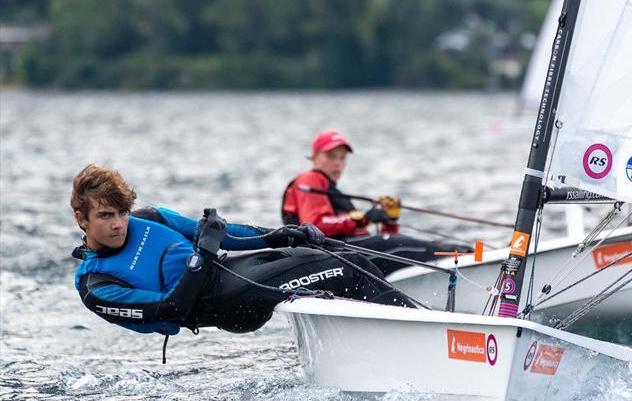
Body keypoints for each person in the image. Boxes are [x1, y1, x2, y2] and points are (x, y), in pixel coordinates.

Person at [70, 164, 416, 348]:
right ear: (82, 219)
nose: (118, 225)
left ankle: (401, 332)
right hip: (226, 301)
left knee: (345, 256)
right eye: (105, 216)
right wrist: (204, 252)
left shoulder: (151, 218)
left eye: (121, 213)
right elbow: (173, 310)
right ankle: (418, 336)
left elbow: (225, 236)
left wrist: (279, 234)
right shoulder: (98, 284)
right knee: (346, 271)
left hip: (235, 268)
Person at [281, 130, 471, 274]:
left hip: (344, 254)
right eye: (331, 156)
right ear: (314, 157)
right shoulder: (309, 180)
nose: (337, 163)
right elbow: (315, 226)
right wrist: (363, 217)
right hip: (332, 257)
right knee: (408, 246)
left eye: (342, 158)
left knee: (403, 244)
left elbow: (366, 236)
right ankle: (471, 257)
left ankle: (470, 256)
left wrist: (389, 221)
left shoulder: (328, 189)